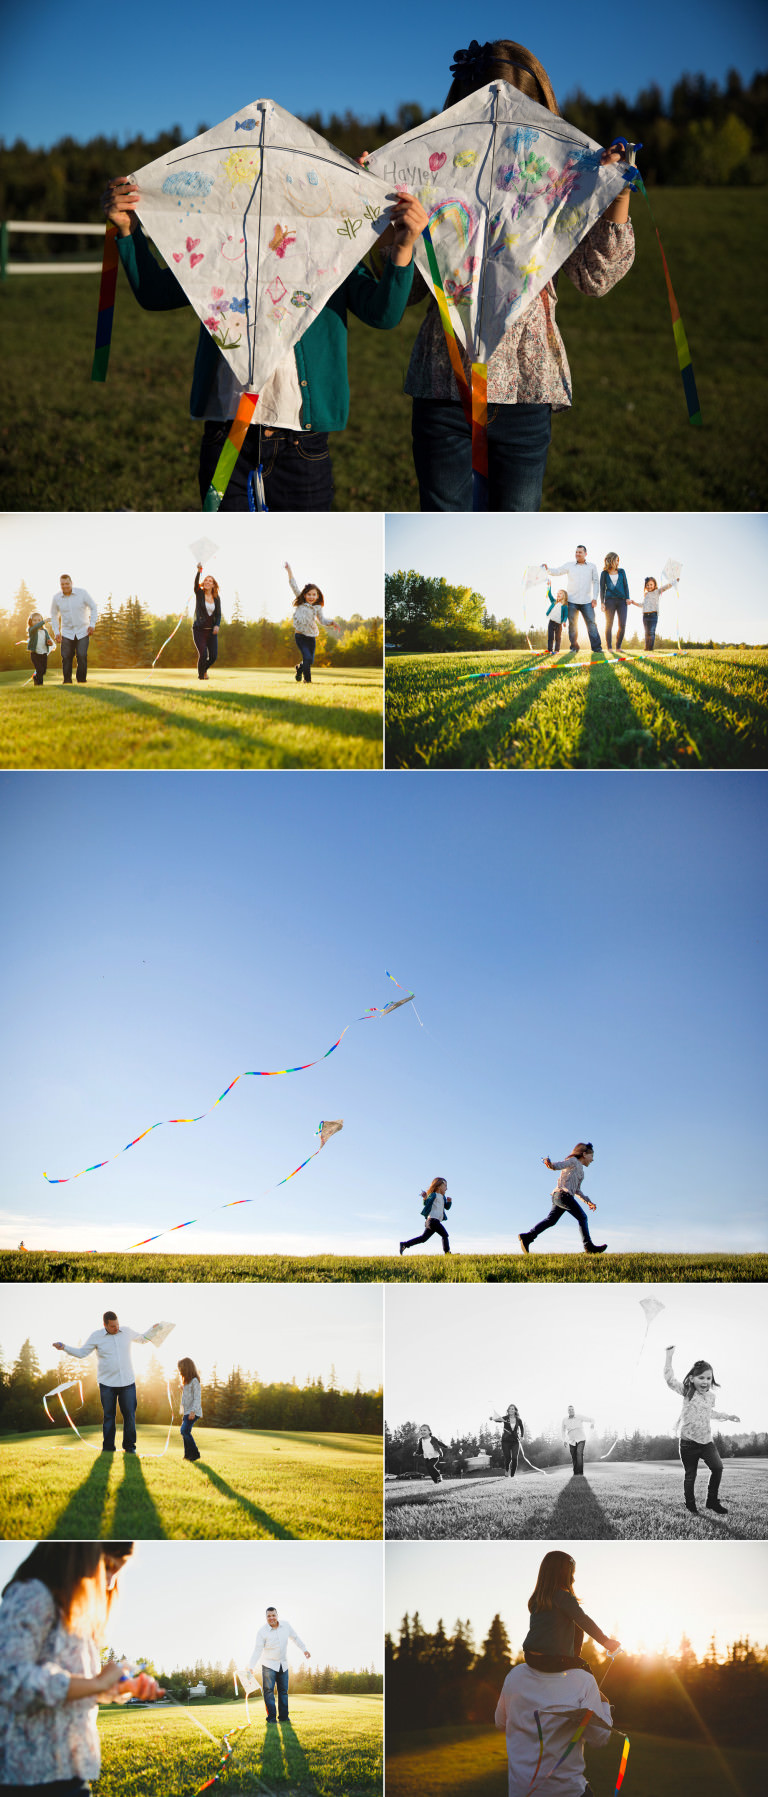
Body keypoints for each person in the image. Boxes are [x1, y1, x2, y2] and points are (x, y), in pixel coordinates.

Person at [399, 38, 634, 512]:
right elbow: (402, 291)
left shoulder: (560, 177)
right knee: (444, 524)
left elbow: (596, 277)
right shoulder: (430, 168)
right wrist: (385, 214)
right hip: (445, 385)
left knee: (515, 525)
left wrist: (614, 194)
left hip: (526, 388)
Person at [100, 178, 428, 511]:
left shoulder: (331, 246)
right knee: (228, 553)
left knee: (301, 551)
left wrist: (402, 247)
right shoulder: (224, 244)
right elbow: (155, 293)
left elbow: (382, 313)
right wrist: (128, 230)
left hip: (301, 443)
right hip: (228, 435)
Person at [0, 1541, 163, 1794]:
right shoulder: (31, 1594)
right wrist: (97, 1683)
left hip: (71, 1771)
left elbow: (81, 1687)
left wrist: (122, 1686)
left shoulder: (80, 1614)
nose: (110, 1583)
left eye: (119, 1572)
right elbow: (11, 1679)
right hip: (26, 1777)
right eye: (108, 1566)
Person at [52, 1312, 152, 1454]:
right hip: (107, 1384)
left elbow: (143, 1339)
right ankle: (108, 1449)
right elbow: (82, 1353)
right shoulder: (96, 1336)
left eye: (117, 1325)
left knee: (130, 1415)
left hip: (128, 1383)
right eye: (112, 1326)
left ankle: (130, 1447)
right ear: (105, 1325)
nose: (116, 1328)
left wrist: (154, 1331)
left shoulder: (127, 1331)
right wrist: (64, 1347)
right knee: (109, 1416)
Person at [663, 1347, 740, 1517]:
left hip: (706, 1442)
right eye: (701, 1377)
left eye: (708, 1378)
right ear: (692, 1378)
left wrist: (728, 1416)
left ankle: (711, 1501)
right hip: (688, 1442)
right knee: (691, 1475)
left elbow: (709, 1413)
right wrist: (669, 1356)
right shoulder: (688, 1392)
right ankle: (690, 1505)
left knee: (718, 1468)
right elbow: (669, 1380)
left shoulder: (711, 1397)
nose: (705, 1381)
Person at [523, 1550, 620, 1672]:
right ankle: (591, 1688)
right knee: (584, 1668)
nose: (573, 1579)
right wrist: (606, 1641)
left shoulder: (537, 1599)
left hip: (531, 1657)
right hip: (553, 1660)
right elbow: (583, 1619)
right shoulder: (563, 1597)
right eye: (571, 1574)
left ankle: (572, 1657)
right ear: (561, 1575)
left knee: (572, 1622)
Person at [519, 1145, 607, 1256]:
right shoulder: (573, 1161)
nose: (593, 1159)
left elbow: (577, 1190)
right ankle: (588, 1246)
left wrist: (588, 1201)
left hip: (562, 1196)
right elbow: (559, 1165)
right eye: (592, 1155)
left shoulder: (581, 1173)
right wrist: (550, 1165)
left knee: (551, 1220)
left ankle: (527, 1237)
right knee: (582, 1217)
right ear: (584, 1154)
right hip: (562, 1195)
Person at [248, 1608, 310, 1724]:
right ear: (266, 1617)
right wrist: (251, 1666)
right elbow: (257, 1650)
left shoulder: (286, 1626)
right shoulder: (262, 1632)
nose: (271, 1618)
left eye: (273, 1615)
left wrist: (304, 1649)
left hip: (283, 1664)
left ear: (277, 1615)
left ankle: (284, 1717)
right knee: (269, 1691)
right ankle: (271, 1718)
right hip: (268, 1665)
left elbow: (295, 1638)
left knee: (283, 1691)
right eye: (268, 1616)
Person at [285, 562, 337, 685]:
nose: (311, 597)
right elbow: (293, 584)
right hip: (300, 637)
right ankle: (307, 681)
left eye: (314, 595)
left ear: (318, 596)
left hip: (311, 637)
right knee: (307, 658)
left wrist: (332, 623)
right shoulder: (301, 602)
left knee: (310, 660)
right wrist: (289, 570)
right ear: (304, 595)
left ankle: (299, 668)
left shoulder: (317, 608)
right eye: (309, 594)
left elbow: (322, 620)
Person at [544, 547, 601, 652]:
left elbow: (596, 582)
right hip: (572, 601)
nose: (577, 554)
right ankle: (574, 647)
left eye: (580, 552)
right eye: (576, 552)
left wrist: (595, 598)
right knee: (573, 625)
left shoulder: (592, 566)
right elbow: (557, 571)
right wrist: (547, 570)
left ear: (585, 554)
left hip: (587, 601)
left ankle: (597, 648)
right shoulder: (569, 565)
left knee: (591, 623)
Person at [50, 577, 98, 685]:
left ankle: (81, 681)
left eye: (67, 583)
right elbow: (53, 615)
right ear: (60, 584)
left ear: (72, 583)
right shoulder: (56, 598)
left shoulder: (82, 593)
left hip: (83, 631)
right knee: (66, 657)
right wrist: (56, 632)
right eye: (62, 584)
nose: (65, 586)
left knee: (81, 655)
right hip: (67, 632)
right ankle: (67, 681)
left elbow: (93, 607)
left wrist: (92, 624)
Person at [400, 1177, 452, 1256]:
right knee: (445, 1235)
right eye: (445, 1186)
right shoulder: (434, 1195)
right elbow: (426, 1203)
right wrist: (425, 1197)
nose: (446, 1188)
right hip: (432, 1221)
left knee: (423, 1238)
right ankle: (447, 1253)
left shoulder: (442, 1197)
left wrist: (449, 1202)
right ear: (439, 1186)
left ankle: (405, 1244)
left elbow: (447, 1207)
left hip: (433, 1222)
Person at [192, 562, 221, 679]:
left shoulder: (216, 598)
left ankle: (204, 670)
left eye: (211, 581)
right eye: (206, 580)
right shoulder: (199, 594)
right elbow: (195, 584)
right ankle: (201, 677)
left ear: (213, 585)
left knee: (213, 656)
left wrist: (217, 625)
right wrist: (199, 571)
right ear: (203, 583)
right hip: (199, 630)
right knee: (203, 654)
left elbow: (218, 614)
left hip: (211, 632)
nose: (208, 582)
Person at [632, 575, 675, 650]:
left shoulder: (657, 591)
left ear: (654, 585)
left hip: (653, 615)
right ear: (645, 586)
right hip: (645, 615)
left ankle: (650, 648)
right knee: (646, 632)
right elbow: (643, 605)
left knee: (651, 632)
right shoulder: (646, 594)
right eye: (647, 585)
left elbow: (665, 587)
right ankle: (646, 648)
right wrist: (634, 602)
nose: (649, 586)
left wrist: (674, 582)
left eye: (651, 584)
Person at [599, 553, 630, 650]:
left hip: (622, 601)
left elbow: (626, 585)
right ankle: (609, 647)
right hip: (609, 601)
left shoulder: (622, 571)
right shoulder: (604, 573)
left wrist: (628, 597)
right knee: (609, 624)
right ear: (611, 560)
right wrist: (602, 602)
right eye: (616, 560)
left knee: (622, 624)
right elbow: (602, 588)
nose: (618, 562)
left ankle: (618, 646)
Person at [490, 1404, 525, 1477]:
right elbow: (498, 1419)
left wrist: (522, 1436)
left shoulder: (518, 1419)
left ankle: (512, 1475)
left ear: (515, 1410)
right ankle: (506, 1469)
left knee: (515, 1458)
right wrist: (492, 1418)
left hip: (515, 1441)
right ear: (508, 1410)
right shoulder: (505, 1418)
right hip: (505, 1441)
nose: (511, 1410)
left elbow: (522, 1427)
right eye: (510, 1409)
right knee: (508, 1458)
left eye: (513, 1409)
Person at [178, 1357, 202, 1462]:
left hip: (193, 1411)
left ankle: (195, 1453)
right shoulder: (187, 1382)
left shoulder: (195, 1381)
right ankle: (187, 1455)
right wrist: (183, 1389)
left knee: (184, 1430)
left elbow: (197, 1398)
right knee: (185, 1432)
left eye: (181, 1369)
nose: (180, 1371)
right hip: (187, 1412)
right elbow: (188, 1396)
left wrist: (193, 1411)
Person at [26, 610, 57, 685]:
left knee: (43, 671)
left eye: (39, 620)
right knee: (39, 669)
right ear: (31, 622)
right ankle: (39, 685)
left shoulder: (44, 631)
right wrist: (44, 621)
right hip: (35, 654)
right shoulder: (32, 630)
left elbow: (47, 640)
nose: (37, 622)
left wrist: (49, 642)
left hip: (43, 654)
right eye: (35, 620)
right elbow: (36, 626)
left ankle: (36, 678)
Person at [561, 1406, 595, 1476]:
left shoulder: (579, 1417)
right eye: (569, 1410)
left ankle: (580, 1473)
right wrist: (564, 1440)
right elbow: (563, 1430)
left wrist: (592, 1423)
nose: (571, 1411)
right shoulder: (564, 1420)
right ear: (568, 1411)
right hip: (571, 1441)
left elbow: (591, 1419)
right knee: (574, 1456)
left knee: (579, 1453)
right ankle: (576, 1473)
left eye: (572, 1409)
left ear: (574, 1410)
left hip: (581, 1439)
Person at [546, 589, 568, 654]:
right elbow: (549, 595)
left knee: (558, 638)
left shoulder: (565, 606)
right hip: (551, 622)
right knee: (550, 636)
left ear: (564, 596)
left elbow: (566, 615)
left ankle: (556, 650)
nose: (558, 594)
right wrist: (549, 587)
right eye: (558, 593)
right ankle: (550, 650)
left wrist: (564, 621)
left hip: (559, 624)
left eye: (560, 593)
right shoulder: (554, 601)